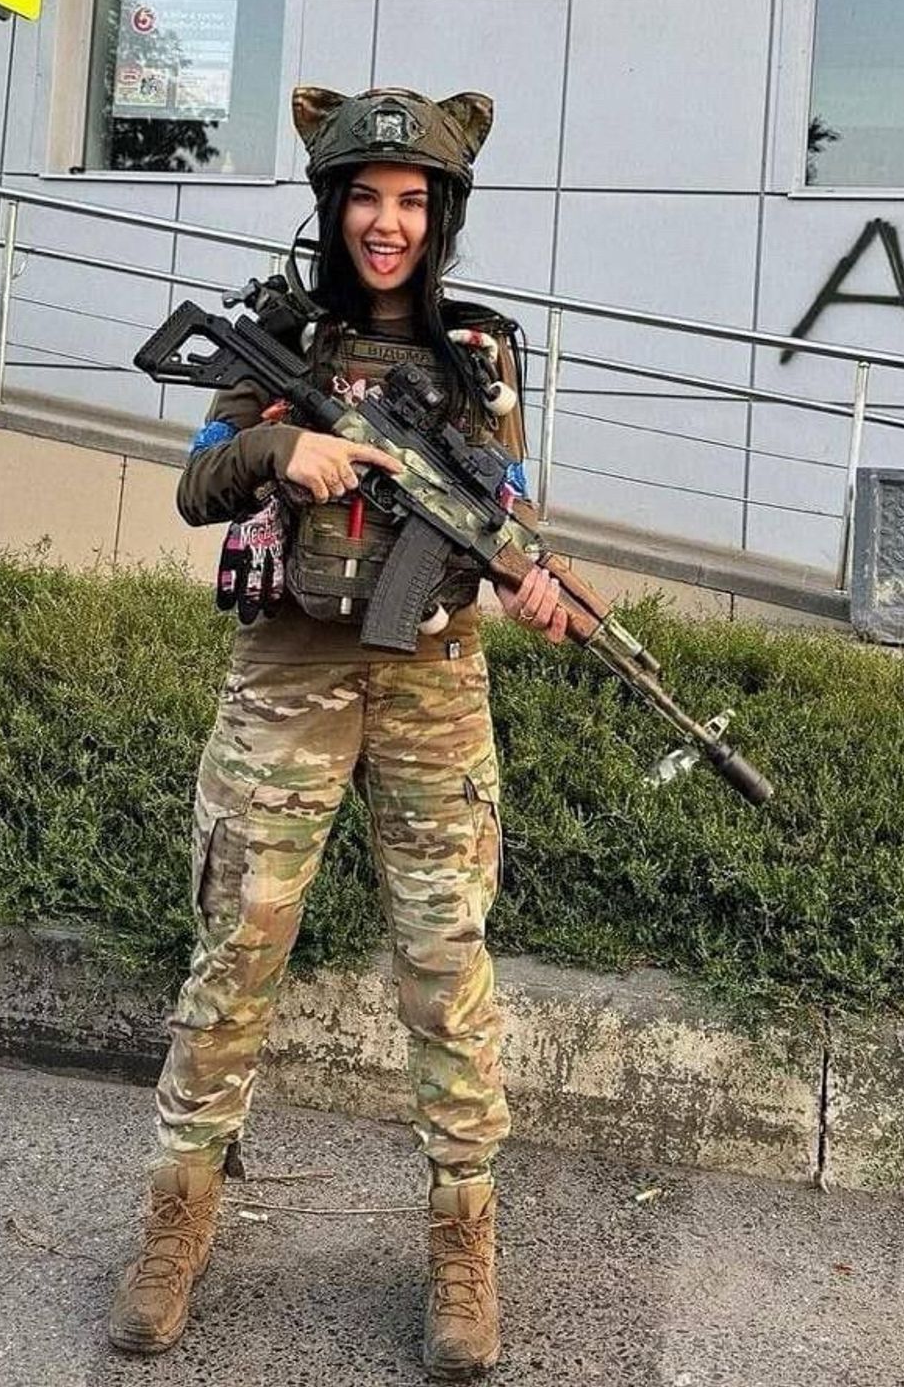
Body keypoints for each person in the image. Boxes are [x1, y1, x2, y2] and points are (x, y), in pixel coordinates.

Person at [110, 86, 566, 1378]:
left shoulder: (479, 354)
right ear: (331, 207)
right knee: (235, 955)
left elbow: (508, 509)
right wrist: (280, 456)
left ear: (443, 217)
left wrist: (536, 580)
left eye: (413, 203)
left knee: (446, 963)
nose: (387, 224)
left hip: (433, 682)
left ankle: (463, 1243)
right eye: (365, 198)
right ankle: (174, 1226)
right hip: (285, 679)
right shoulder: (279, 341)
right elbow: (201, 484)